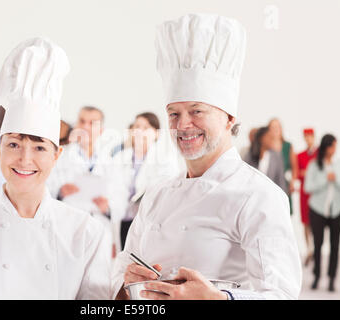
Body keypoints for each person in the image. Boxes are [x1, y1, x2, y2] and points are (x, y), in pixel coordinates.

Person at [112, 13, 301, 300]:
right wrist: (127, 288)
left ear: (229, 118)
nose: (183, 124)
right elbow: (123, 269)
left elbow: (281, 295)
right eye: (174, 114)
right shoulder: (156, 195)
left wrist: (217, 298)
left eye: (197, 111)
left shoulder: (259, 196)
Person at [0, 37, 111, 299]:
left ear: (57, 155)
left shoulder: (87, 233)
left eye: (40, 147)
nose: (24, 159)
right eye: (14, 145)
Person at [47, 105, 128, 259]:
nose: (85, 127)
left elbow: (121, 201)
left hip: (100, 230)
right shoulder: (59, 158)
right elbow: (44, 193)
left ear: (101, 131)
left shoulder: (112, 163)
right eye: (82, 121)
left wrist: (108, 208)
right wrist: (59, 192)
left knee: (97, 280)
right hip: (67, 230)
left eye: (92, 123)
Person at [114, 112, 179, 250]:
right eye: (137, 126)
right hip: (123, 221)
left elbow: (168, 191)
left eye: (145, 127)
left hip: (149, 222)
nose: (139, 131)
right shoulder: (119, 158)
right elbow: (111, 189)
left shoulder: (165, 159)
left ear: (156, 134)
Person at [304, 134, 340, 292]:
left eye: (335, 146)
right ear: (325, 147)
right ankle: (316, 276)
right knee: (318, 244)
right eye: (331, 146)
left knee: (335, 245)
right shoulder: (315, 165)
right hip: (317, 210)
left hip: (337, 210)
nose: (334, 149)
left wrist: (335, 178)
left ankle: (331, 279)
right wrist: (325, 178)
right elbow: (308, 187)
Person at [297, 128, 318, 267]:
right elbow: (297, 173)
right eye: (306, 137)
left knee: (316, 222)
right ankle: (309, 249)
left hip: (317, 193)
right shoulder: (300, 155)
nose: (308, 139)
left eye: (310, 136)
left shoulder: (319, 154)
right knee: (306, 222)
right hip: (304, 193)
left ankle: (316, 249)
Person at [268, 118, 298, 215]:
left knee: (285, 212)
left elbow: (294, 167)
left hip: (285, 184)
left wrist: (293, 181)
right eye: (273, 127)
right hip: (269, 183)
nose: (275, 129)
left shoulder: (288, 146)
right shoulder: (266, 146)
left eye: (277, 127)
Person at [243, 126, 287, 192]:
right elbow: (245, 179)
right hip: (253, 195)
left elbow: (281, 181)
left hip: (271, 195)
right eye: (269, 136)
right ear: (261, 138)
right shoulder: (249, 156)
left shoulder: (277, 157)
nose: (272, 139)